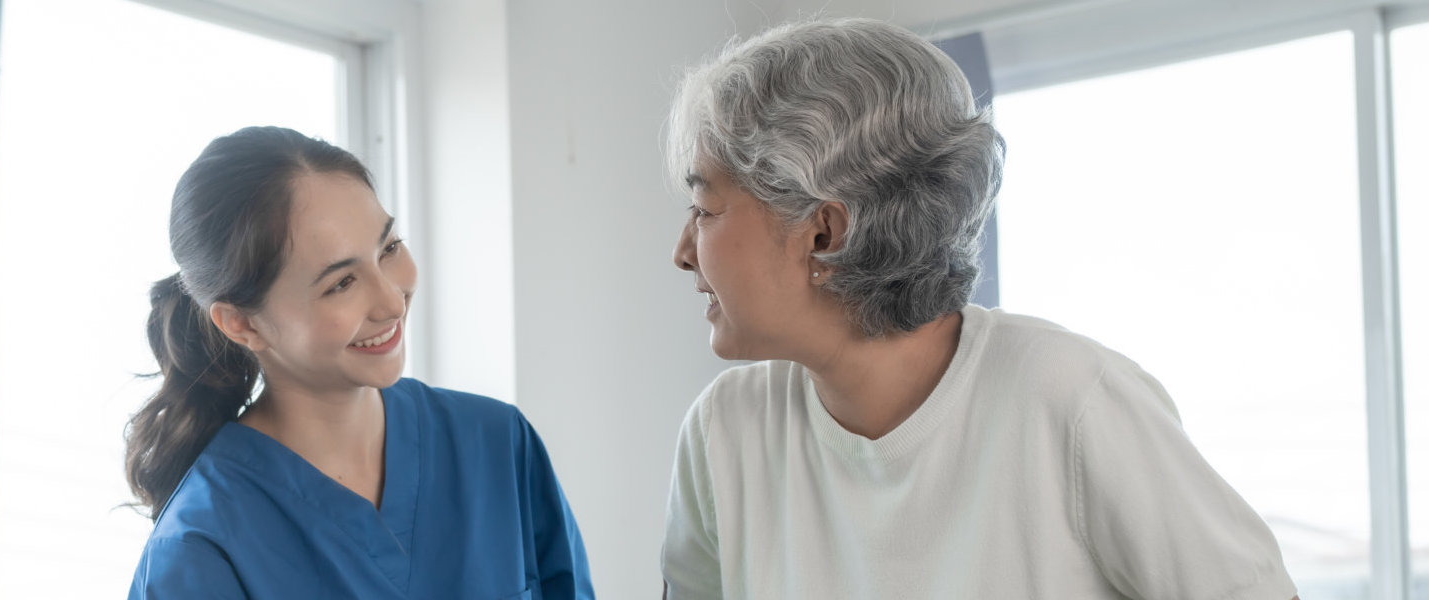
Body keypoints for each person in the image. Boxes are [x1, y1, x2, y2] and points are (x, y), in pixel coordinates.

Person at [660, 19, 1299, 600]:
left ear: (825, 234)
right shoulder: (724, 431)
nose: (683, 252)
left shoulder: (1070, 401)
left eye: (705, 209)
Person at [125, 126, 591, 599]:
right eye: (341, 283)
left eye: (389, 249)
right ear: (241, 324)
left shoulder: (497, 444)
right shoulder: (200, 548)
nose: (392, 301)